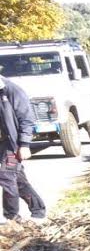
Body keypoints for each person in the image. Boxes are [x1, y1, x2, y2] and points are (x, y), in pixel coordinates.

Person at [0, 74, 46, 225]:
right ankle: (38, 210)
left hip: (12, 144)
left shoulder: (11, 91)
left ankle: (11, 217)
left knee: (6, 177)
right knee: (17, 180)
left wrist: (24, 144)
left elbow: (26, 119)